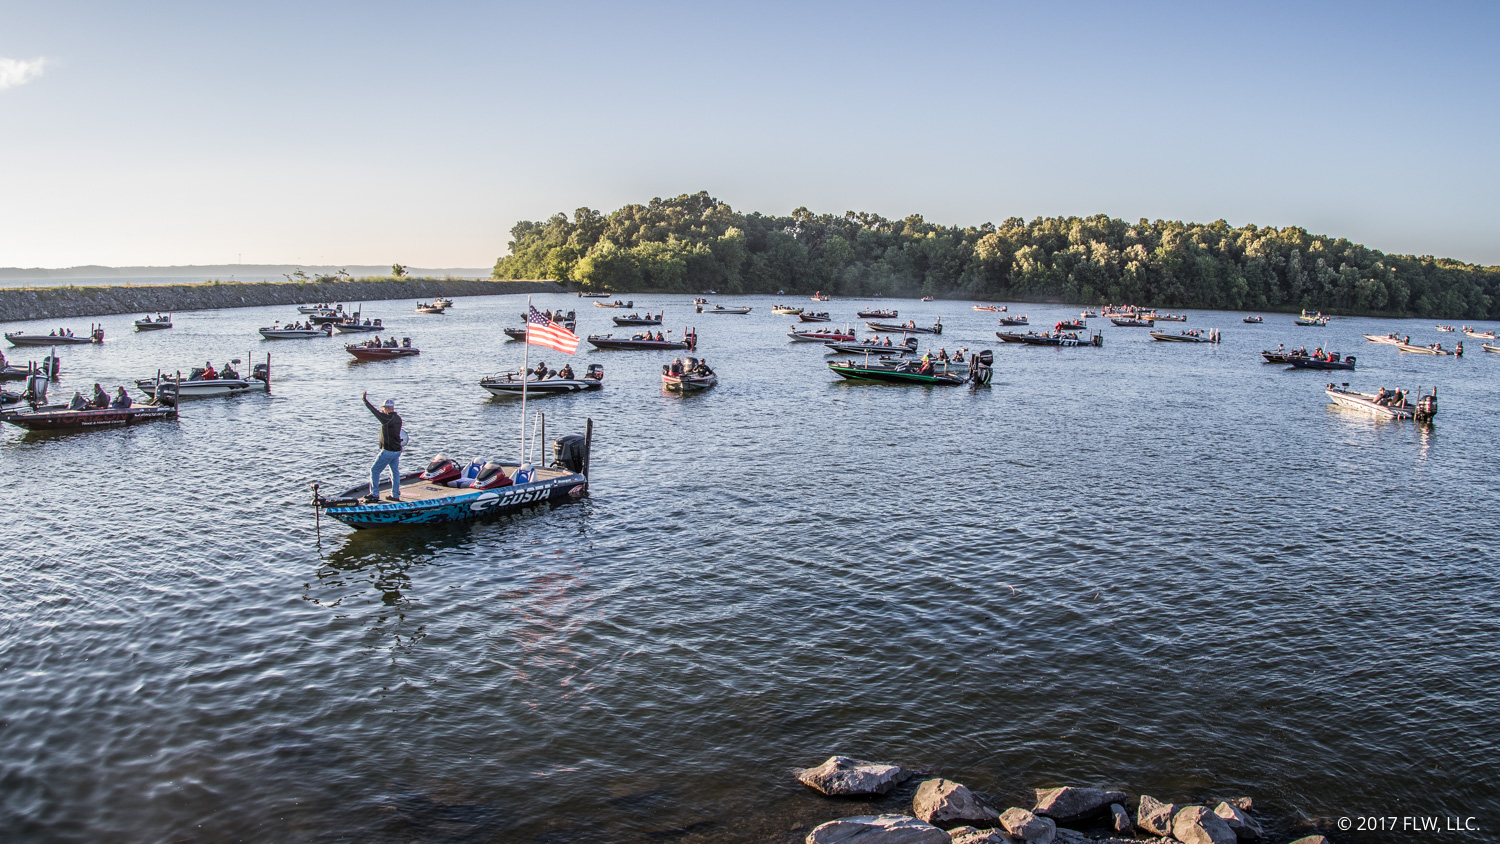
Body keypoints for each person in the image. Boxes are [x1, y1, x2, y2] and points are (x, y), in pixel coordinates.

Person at [362, 392, 405, 503]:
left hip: (388, 451)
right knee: (394, 472)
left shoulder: (386, 419)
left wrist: (365, 401)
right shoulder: (398, 418)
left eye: (384, 408)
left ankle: (374, 494)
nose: (382, 410)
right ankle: (395, 495)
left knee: (374, 470)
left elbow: (374, 411)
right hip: (397, 450)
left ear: (387, 408)